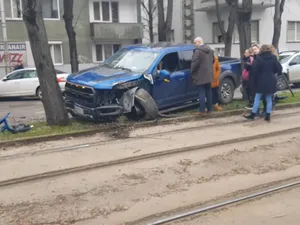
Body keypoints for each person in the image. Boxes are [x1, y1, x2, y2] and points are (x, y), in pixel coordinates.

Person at [244, 44, 282, 121]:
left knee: (257, 98)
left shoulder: (259, 59)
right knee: (268, 98)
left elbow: (254, 70)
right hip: (271, 80)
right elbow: (279, 69)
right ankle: (267, 115)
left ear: (261, 50)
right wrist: (271, 72)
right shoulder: (274, 58)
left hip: (261, 80)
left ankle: (253, 114)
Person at [191, 37, 214, 114]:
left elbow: (194, 64)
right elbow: (213, 60)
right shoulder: (210, 50)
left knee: (201, 93)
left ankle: (202, 110)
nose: (194, 45)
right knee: (209, 92)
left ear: (199, 42)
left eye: (195, 43)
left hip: (200, 75)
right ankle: (210, 109)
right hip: (209, 74)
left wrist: (192, 71)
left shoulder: (197, 52)